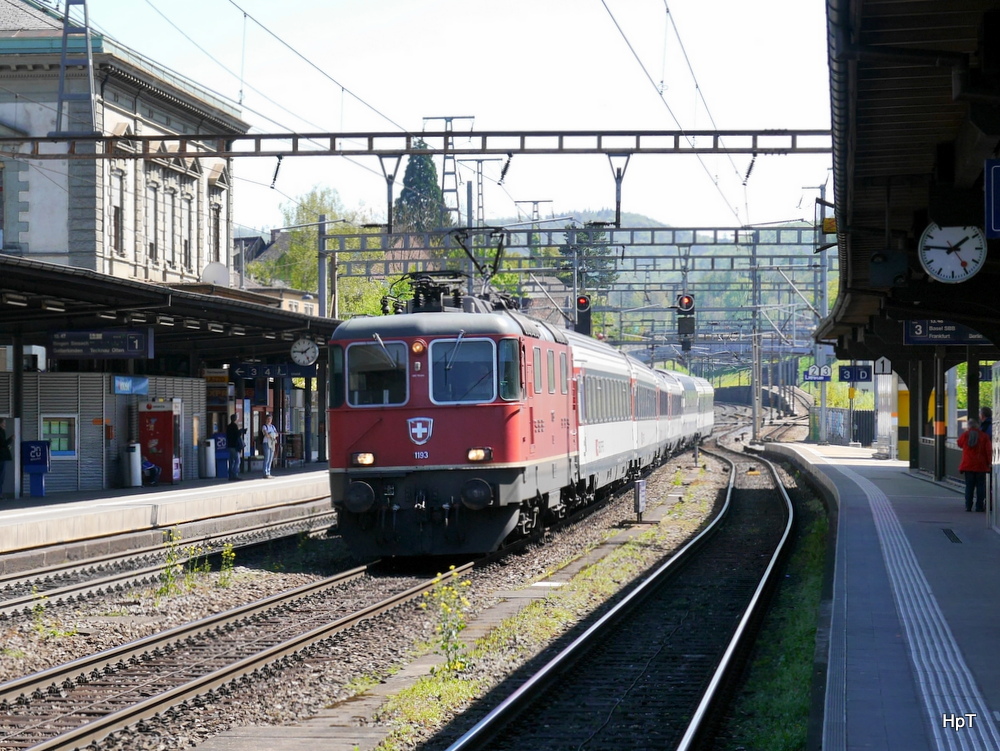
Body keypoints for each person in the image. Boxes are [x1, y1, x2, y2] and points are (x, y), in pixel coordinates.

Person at [957, 416, 992, 512]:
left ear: (968, 426)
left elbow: (959, 443)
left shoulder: (965, 435)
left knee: (969, 486)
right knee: (981, 486)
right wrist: (989, 463)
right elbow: (988, 451)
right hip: (981, 465)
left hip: (968, 465)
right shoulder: (984, 436)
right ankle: (979, 506)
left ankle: (968, 506)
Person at [226, 413, 245, 481]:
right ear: (235, 419)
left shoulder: (228, 426)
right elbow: (237, 434)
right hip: (235, 446)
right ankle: (235, 474)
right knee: (237, 460)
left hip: (229, 445)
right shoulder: (235, 426)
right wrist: (241, 431)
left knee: (231, 461)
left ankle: (230, 475)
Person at [261, 413, 279, 478]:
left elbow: (277, 434)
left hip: (272, 443)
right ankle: (265, 473)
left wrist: (271, 434)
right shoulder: (264, 426)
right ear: (266, 419)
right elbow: (266, 435)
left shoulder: (273, 427)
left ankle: (268, 472)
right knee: (267, 458)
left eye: (270, 419)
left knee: (271, 458)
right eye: (268, 419)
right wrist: (272, 434)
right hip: (266, 443)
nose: (269, 420)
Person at [0, 417, 13, 500]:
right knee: (1, 475)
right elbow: (3, 443)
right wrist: (11, 439)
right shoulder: (1, 432)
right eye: (4, 423)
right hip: (1, 456)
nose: (5, 425)